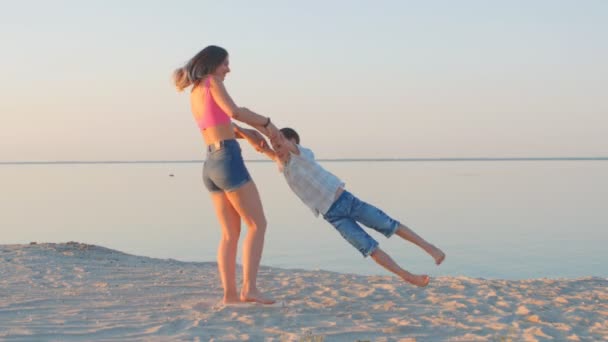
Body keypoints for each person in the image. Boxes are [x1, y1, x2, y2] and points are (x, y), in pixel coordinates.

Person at [245, 127, 445, 287]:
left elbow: (275, 134)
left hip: (348, 202)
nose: (277, 147)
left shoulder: (302, 154)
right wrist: (236, 129)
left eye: (280, 143)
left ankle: (431, 248)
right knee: (369, 248)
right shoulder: (282, 164)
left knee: (389, 224)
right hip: (333, 216)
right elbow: (259, 143)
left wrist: (268, 129)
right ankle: (408, 276)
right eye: (275, 145)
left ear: (293, 143)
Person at [173, 45, 278, 304]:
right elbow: (234, 111)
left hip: (211, 163)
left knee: (230, 233)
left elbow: (223, 122)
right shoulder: (212, 82)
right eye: (225, 64)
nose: (228, 69)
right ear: (212, 64)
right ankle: (249, 289)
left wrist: (247, 133)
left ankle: (230, 295)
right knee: (258, 224)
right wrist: (266, 123)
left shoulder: (196, 91)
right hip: (228, 159)